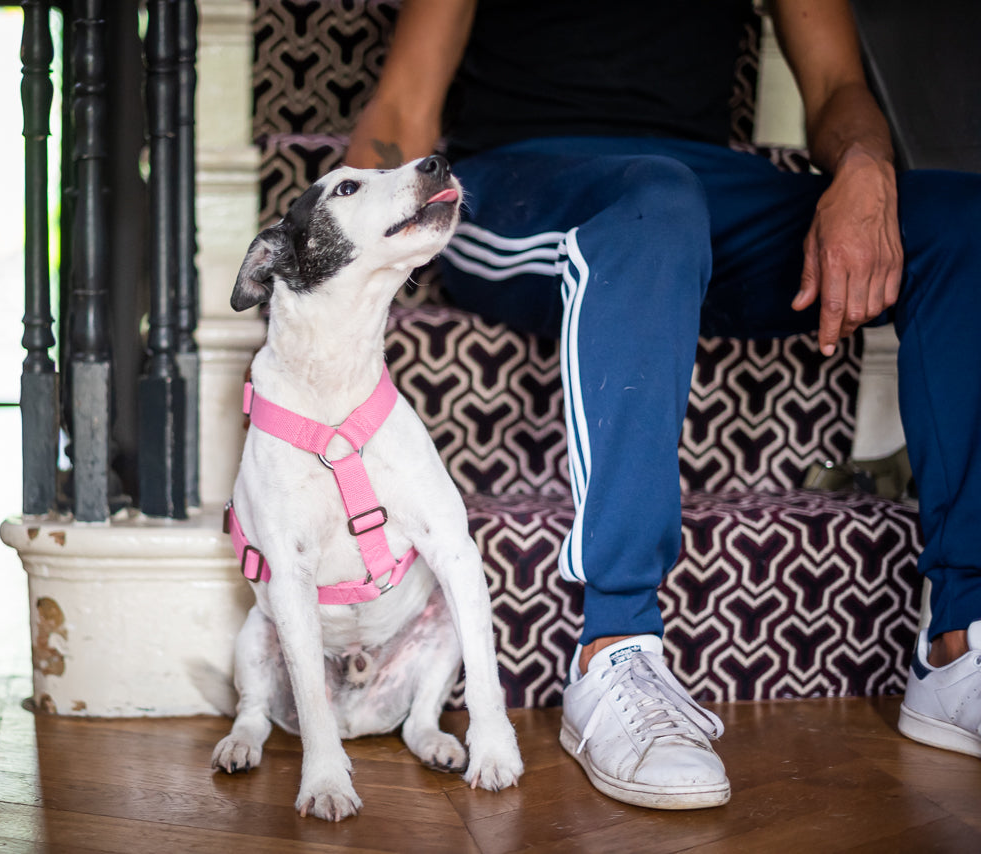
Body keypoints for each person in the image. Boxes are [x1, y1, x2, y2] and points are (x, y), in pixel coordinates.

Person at [345, 0, 981, 809]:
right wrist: (337, 282)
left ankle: (962, 640)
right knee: (658, 197)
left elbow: (834, 85)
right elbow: (404, 105)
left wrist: (864, 168)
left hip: (698, 195)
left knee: (962, 221)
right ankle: (614, 646)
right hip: (521, 185)